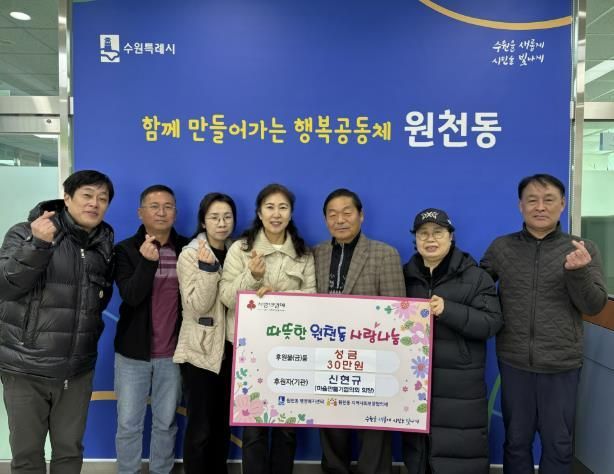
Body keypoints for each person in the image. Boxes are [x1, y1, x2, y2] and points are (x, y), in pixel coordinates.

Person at [480, 174, 607, 474]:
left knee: (559, 444)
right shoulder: (501, 247)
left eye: (548, 200)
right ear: (520, 206)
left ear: (562, 204)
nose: (540, 207)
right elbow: (476, 287)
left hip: (561, 363)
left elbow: (593, 305)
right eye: (532, 200)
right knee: (516, 441)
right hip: (514, 361)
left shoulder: (583, 248)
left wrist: (578, 272)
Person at [0, 170, 115, 474]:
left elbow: (99, 300)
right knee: (27, 455)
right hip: (26, 366)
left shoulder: (103, 243)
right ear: (67, 198)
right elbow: (6, 286)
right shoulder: (25, 231)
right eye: (87, 195)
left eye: (102, 198)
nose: (94, 203)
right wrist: (37, 245)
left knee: (69, 453)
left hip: (76, 370)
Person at [220, 183, 316, 474]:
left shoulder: (303, 253)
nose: (276, 214)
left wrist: (280, 299)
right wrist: (252, 277)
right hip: (249, 351)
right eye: (270, 207)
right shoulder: (241, 249)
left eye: (283, 208)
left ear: (291, 213)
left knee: (287, 428)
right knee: (254, 429)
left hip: (291, 350)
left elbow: (312, 300)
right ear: (259, 213)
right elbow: (226, 297)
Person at [402, 208, 502, 474]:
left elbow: (491, 323)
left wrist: (448, 310)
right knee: (418, 451)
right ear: (415, 239)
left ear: (451, 236)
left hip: (460, 384)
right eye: (423, 234)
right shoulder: (404, 276)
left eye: (438, 232)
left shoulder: (475, 277)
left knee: (460, 452)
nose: (430, 239)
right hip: (413, 381)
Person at [313, 188, 405, 474]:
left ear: (361, 216)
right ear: (326, 220)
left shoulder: (384, 254)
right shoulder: (316, 253)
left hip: (372, 359)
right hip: (328, 357)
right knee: (331, 427)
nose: (340, 220)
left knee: (373, 429)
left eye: (347, 213)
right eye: (332, 214)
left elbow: (396, 313)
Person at [113, 184, 189, 473]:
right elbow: (131, 296)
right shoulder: (125, 250)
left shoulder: (188, 248)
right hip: (133, 354)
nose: (161, 212)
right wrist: (147, 262)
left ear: (175, 213)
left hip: (174, 354)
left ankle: (161, 470)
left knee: (165, 423)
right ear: (140, 212)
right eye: (154, 206)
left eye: (168, 206)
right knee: (128, 424)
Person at [173, 192, 237, 474]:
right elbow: (197, 306)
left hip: (231, 351)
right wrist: (209, 270)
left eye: (227, 217)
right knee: (200, 427)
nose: (221, 223)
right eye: (214, 217)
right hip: (200, 351)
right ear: (203, 221)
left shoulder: (237, 252)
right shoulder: (190, 254)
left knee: (223, 425)